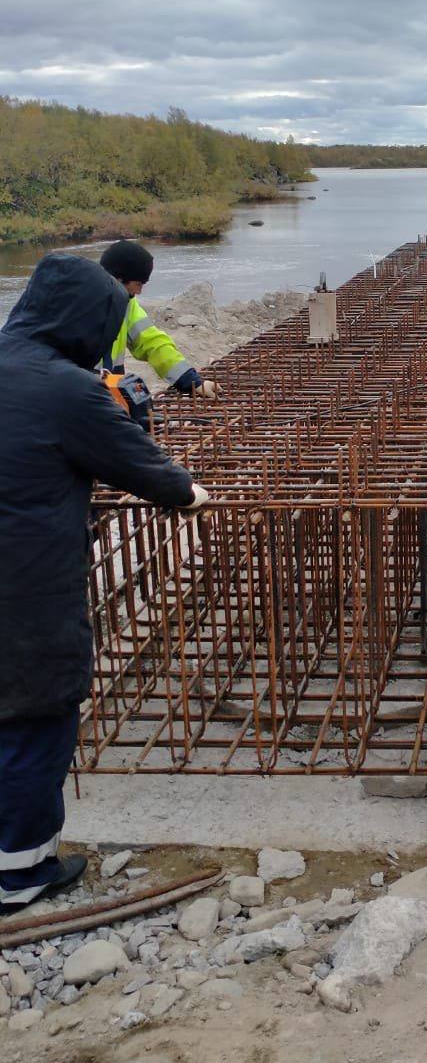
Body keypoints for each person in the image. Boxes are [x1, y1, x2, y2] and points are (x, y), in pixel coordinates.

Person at [0, 254, 207, 914]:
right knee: (35, 717)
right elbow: (139, 465)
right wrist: (188, 491)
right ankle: (22, 873)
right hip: (26, 584)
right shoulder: (66, 388)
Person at [99, 240, 217, 397]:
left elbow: (152, 342)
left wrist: (192, 381)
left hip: (107, 387)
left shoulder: (127, 303)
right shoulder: (77, 304)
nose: (140, 291)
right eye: (139, 284)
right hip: (76, 393)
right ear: (118, 280)